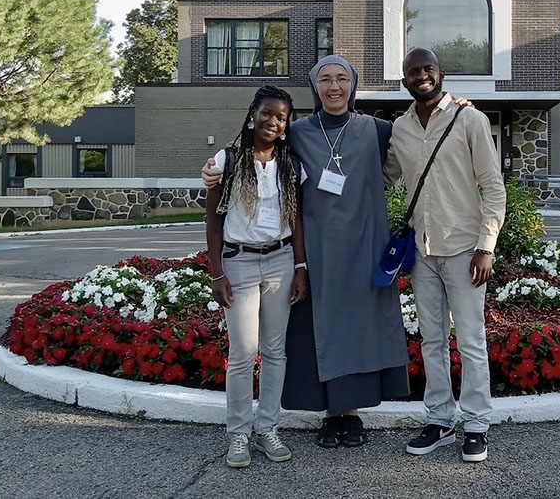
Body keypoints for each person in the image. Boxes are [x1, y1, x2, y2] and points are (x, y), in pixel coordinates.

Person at [203, 55, 410, 449]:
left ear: (353, 85)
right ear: (315, 87)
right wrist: (213, 171)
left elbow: (419, 127)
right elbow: (254, 143)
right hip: (312, 250)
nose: (334, 87)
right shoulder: (297, 131)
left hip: (363, 247)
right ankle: (330, 414)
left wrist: (458, 104)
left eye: (342, 79)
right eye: (326, 80)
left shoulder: (375, 129)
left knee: (357, 328)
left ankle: (352, 414)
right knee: (319, 330)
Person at [385, 47, 506, 463]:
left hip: (464, 250)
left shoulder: (470, 119)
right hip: (421, 250)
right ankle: (439, 420)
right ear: (404, 80)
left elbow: (493, 187)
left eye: (428, 69)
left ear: (441, 73)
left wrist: (486, 246)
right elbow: (382, 176)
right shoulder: (399, 128)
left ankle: (476, 424)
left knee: (471, 339)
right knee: (431, 339)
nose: (421, 76)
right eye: (413, 71)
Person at [205, 85, 309, 468]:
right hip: (240, 263)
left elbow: (294, 220)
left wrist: (300, 267)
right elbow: (213, 221)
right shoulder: (228, 160)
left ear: (286, 124)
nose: (273, 121)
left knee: (275, 351)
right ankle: (238, 434)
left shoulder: (290, 164)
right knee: (243, 353)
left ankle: (267, 428)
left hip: (280, 262)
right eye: (267, 113)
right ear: (253, 114)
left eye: (281, 117)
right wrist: (217, 273)